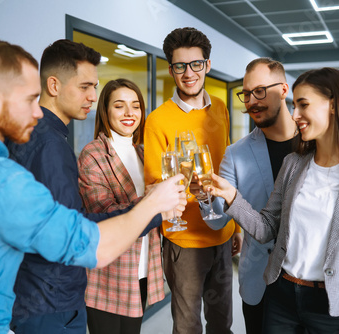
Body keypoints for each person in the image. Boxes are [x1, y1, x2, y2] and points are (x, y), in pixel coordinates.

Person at [0, 39, 185, 334]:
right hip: (35, 308)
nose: (38, 112)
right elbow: (91, 245)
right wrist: (154, 205)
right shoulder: (5, 180)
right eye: (29, 99)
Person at [207, 67, 339, 334]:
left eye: (303, 105)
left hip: (330, 307)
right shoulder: (294, 164)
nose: (295, 115)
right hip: (280, 298)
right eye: (294, 105)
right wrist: (231, 197)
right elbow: (265, 228)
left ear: (334, 105)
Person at [5, 40, 168, 334]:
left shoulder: (43, 137)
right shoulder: (52, 147)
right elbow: (73, 233)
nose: (92, 95)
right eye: (85, 87)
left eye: (94, 87)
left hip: (46, 294)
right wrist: (153, 207)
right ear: (53, 85)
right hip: (52, 298)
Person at [144, 27, 241, 334]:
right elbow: (153, 186)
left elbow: (228, 171)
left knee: (222, 323)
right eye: (180, 66)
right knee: (187, 327)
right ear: (171, 69)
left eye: (196, 64)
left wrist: (235, 224)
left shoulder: (221, 109)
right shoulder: (158, 120)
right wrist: (190, 194)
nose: (189, 73)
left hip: (223, 234)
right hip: (183, 240)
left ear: (207, 65)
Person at [192, 57, 299, 334]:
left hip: (306, 279)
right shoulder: (236, 153)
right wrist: (204, 197)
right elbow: (217, 221)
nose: (252, 101)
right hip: (259, 281)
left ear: (284, 89)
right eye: (247, 93)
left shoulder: (312, 142)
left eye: (260, 91)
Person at [77, 79, 164, 333]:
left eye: (135, 106)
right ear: (106, 111)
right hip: (109, 275)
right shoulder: (92, 154)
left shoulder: (144, 154)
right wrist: (156, 201)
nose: (129, 113)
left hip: (142, 268)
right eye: (120, 106)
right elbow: (106, 214)